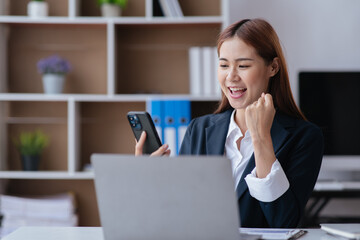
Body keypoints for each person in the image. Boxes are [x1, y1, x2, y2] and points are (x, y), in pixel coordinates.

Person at [135, 18, 324, 228]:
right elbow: (180, 215)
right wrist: (151, 178)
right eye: (224, 65)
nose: (231, 77)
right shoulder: (199, 130)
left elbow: (283, 223)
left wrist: (261, 138)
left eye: (243, 65)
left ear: (273, 67)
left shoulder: (304, 137)